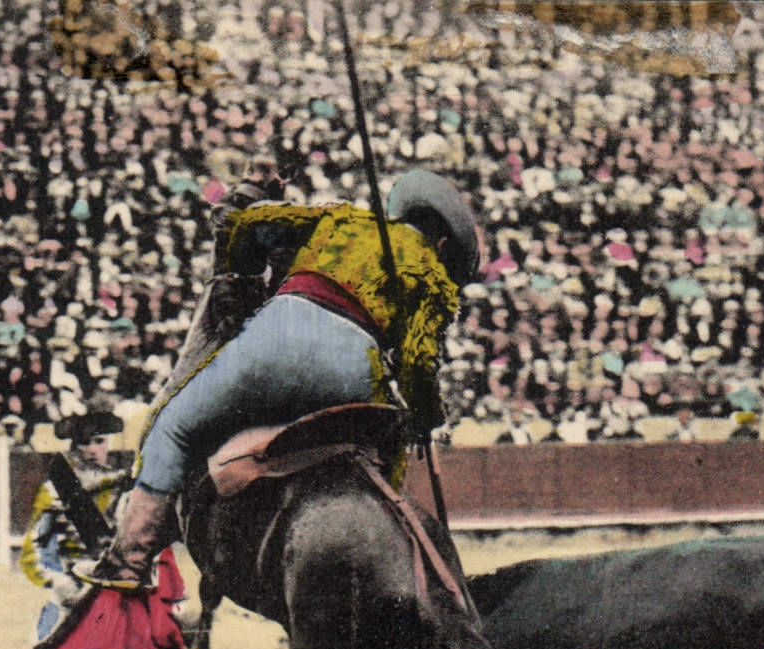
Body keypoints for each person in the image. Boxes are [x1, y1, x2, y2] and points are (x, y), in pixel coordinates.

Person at [77, 167, 481, 590]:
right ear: (441, 243)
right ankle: (391, 547)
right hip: (352, 370)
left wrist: (240, 276)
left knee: (173, 426)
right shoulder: (433, 274)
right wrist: (425, 418)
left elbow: (248, 222)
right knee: (385, 452)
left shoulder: (345, 218)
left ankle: (128, 561)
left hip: (276, 340)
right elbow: (418, 360)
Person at [0, 411, 185, 649]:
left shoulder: (123, 484)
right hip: (79, 587)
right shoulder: (58, 488)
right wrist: (56, 580)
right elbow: (34, 545)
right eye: (95, 441)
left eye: (104, 440)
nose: (103, 448)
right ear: (77, 445)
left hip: (118, 583)